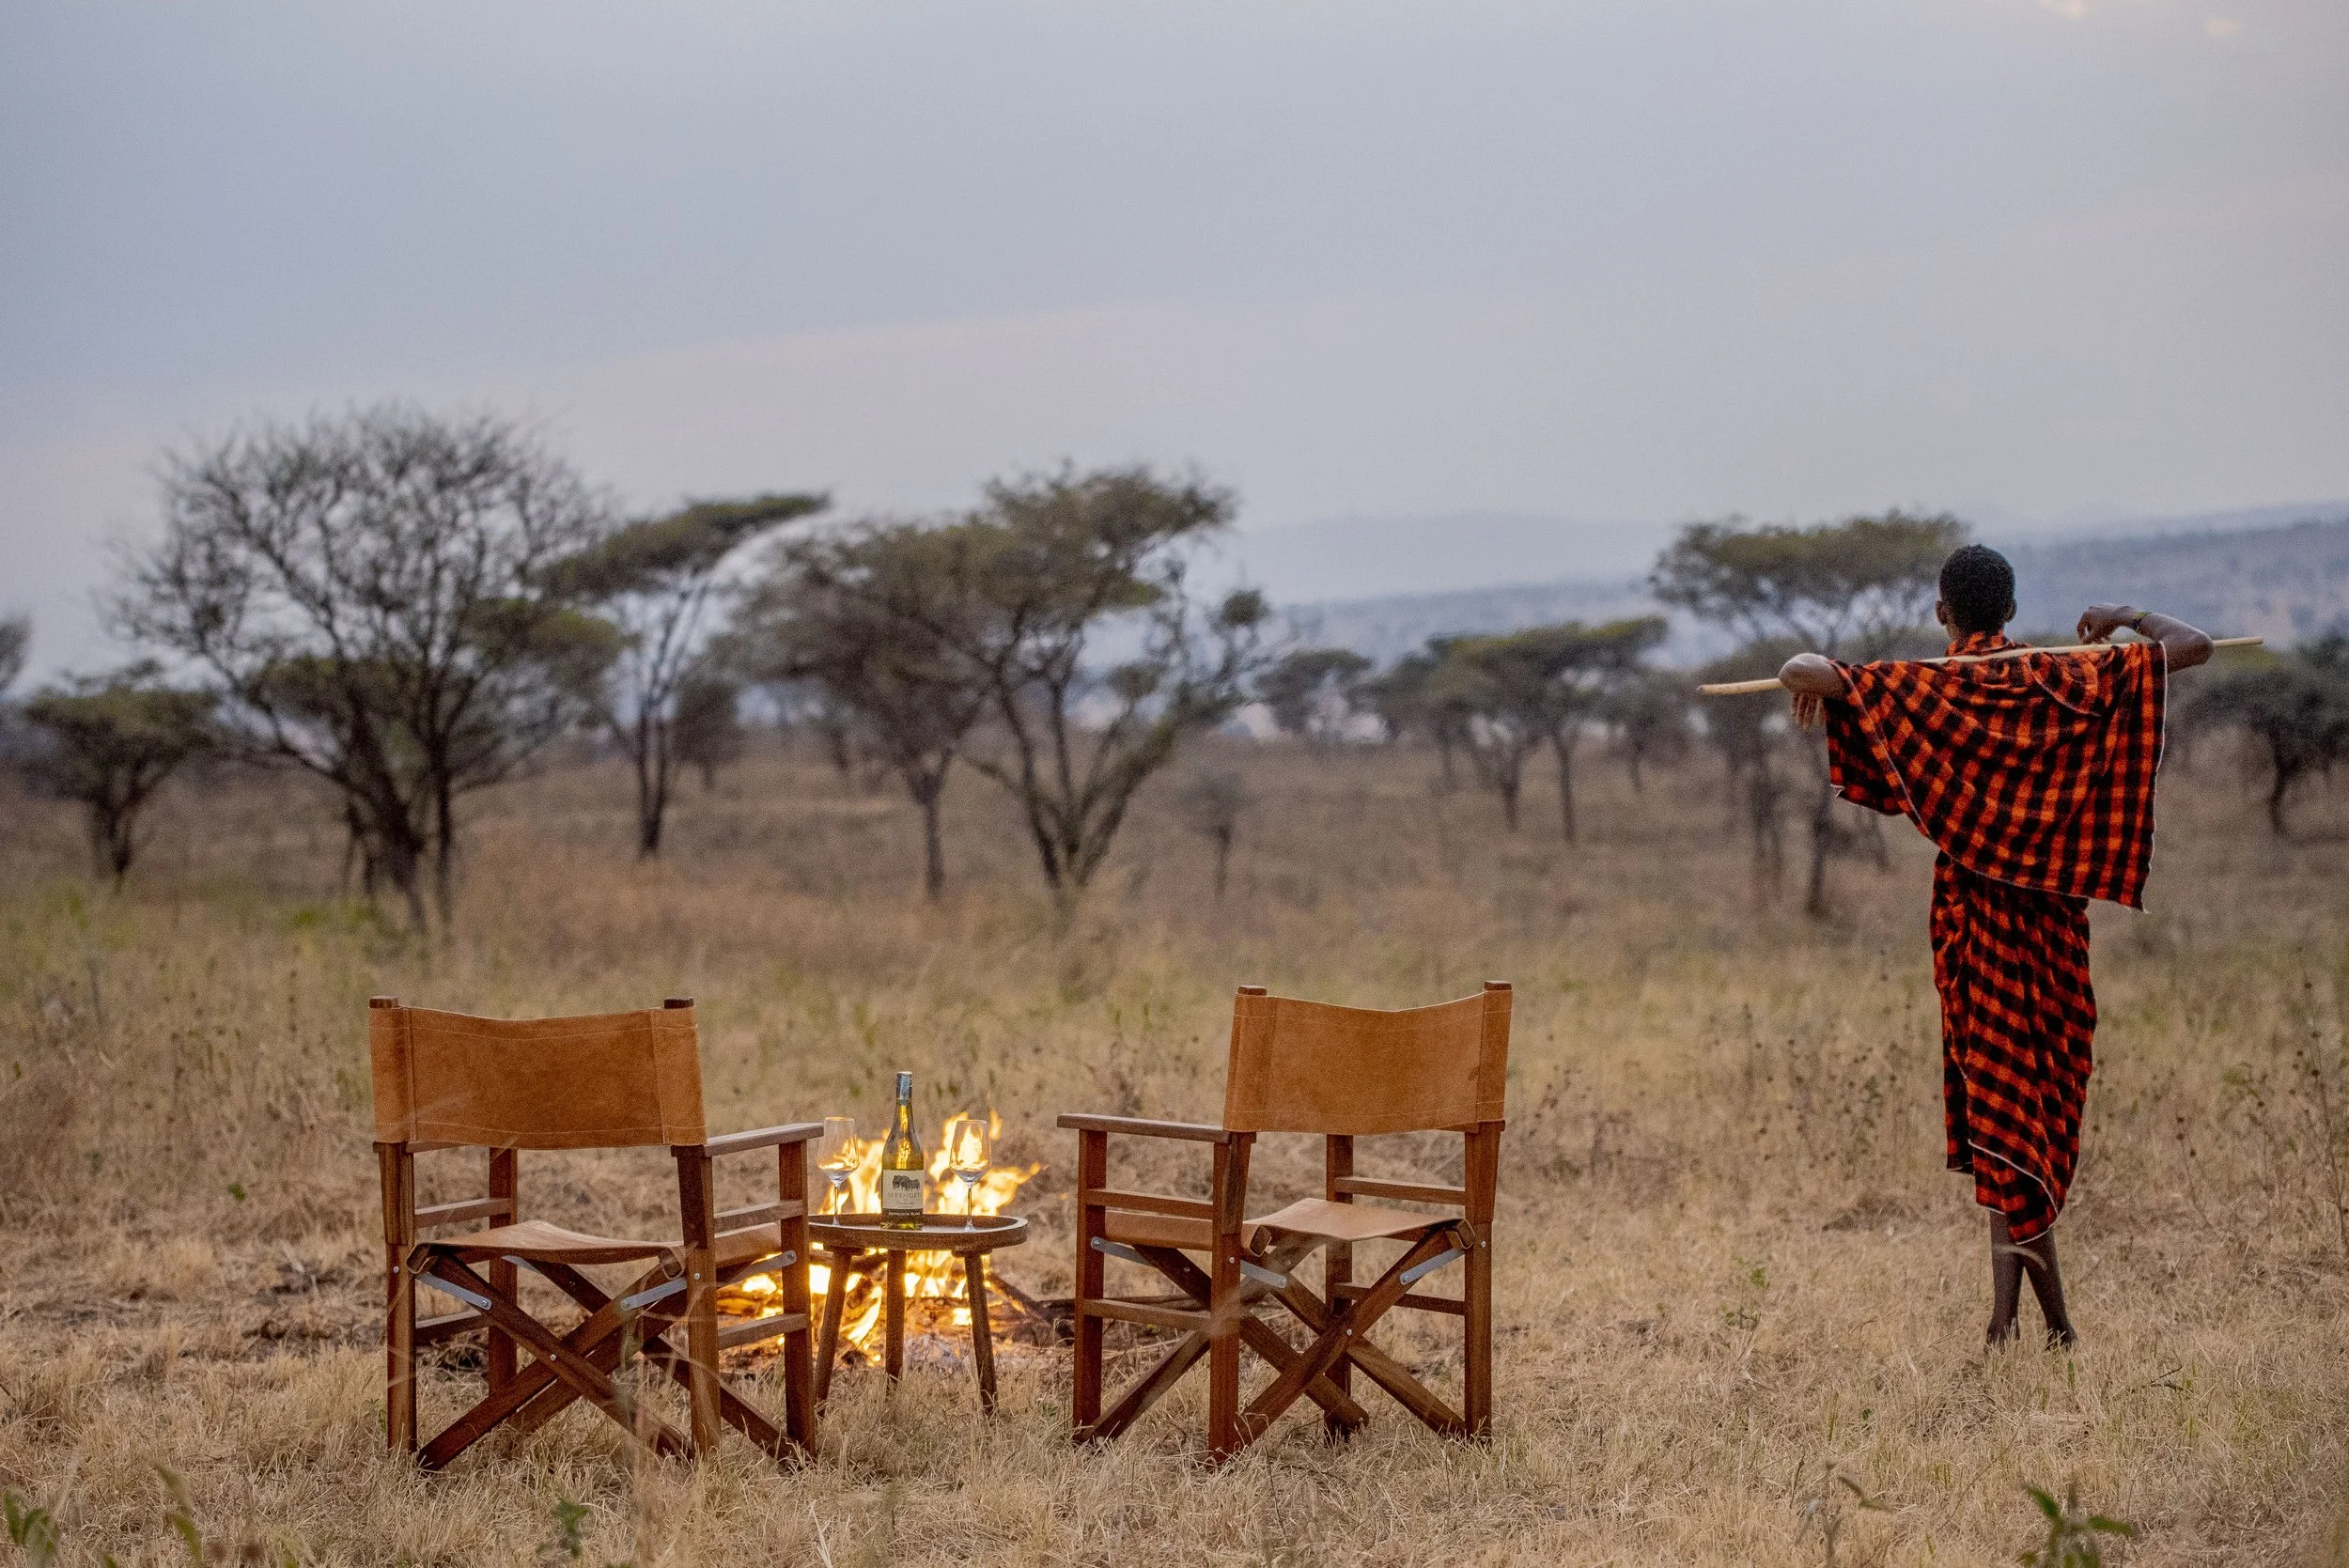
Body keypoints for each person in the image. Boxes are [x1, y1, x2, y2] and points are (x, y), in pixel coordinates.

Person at [1779, 545, 2213, 1346]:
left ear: (1943, 612)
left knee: (2004, 1117)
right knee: (2027, 1116)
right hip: (2052, 929)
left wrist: (1808, 684)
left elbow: (1807, 667)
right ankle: (2020, 1325)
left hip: (1977, 921)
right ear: (2011, 613)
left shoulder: (1929, 688)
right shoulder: (2068, 679)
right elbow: (2191, 645)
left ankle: (2027, 1327)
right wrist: (2122, 617)